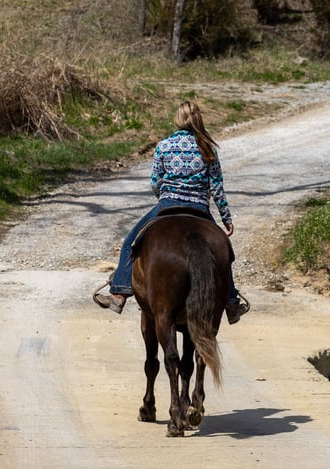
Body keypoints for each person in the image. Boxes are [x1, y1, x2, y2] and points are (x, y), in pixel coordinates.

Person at [94, 100, 249, 324]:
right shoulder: (208, 148)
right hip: (199, 207)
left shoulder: (164, 145)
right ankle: (232, 303)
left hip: (167, 205)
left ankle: (118, 292)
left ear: (178, 119)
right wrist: (226, 218)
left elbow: (155, 181)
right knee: (226, 252)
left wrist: (165, 197)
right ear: (198, 120)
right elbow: (216, 188)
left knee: (130, 243)